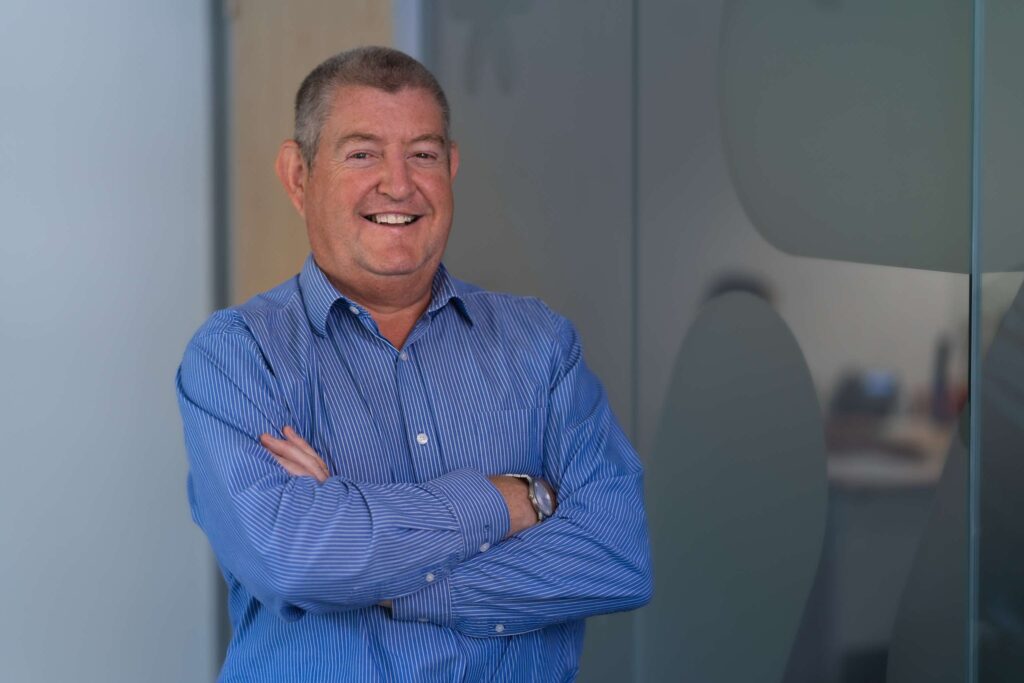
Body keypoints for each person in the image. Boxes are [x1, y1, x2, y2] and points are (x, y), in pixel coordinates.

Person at [177, 46, 652, 682]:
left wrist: (373, 568)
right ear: (298, 175)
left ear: (451, 167)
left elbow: (616, 557)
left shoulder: (541, 345)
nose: (398, 185)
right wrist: (509, 501)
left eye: (423, 155)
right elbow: (293, 561)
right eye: (362, 154)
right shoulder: (238, 356)